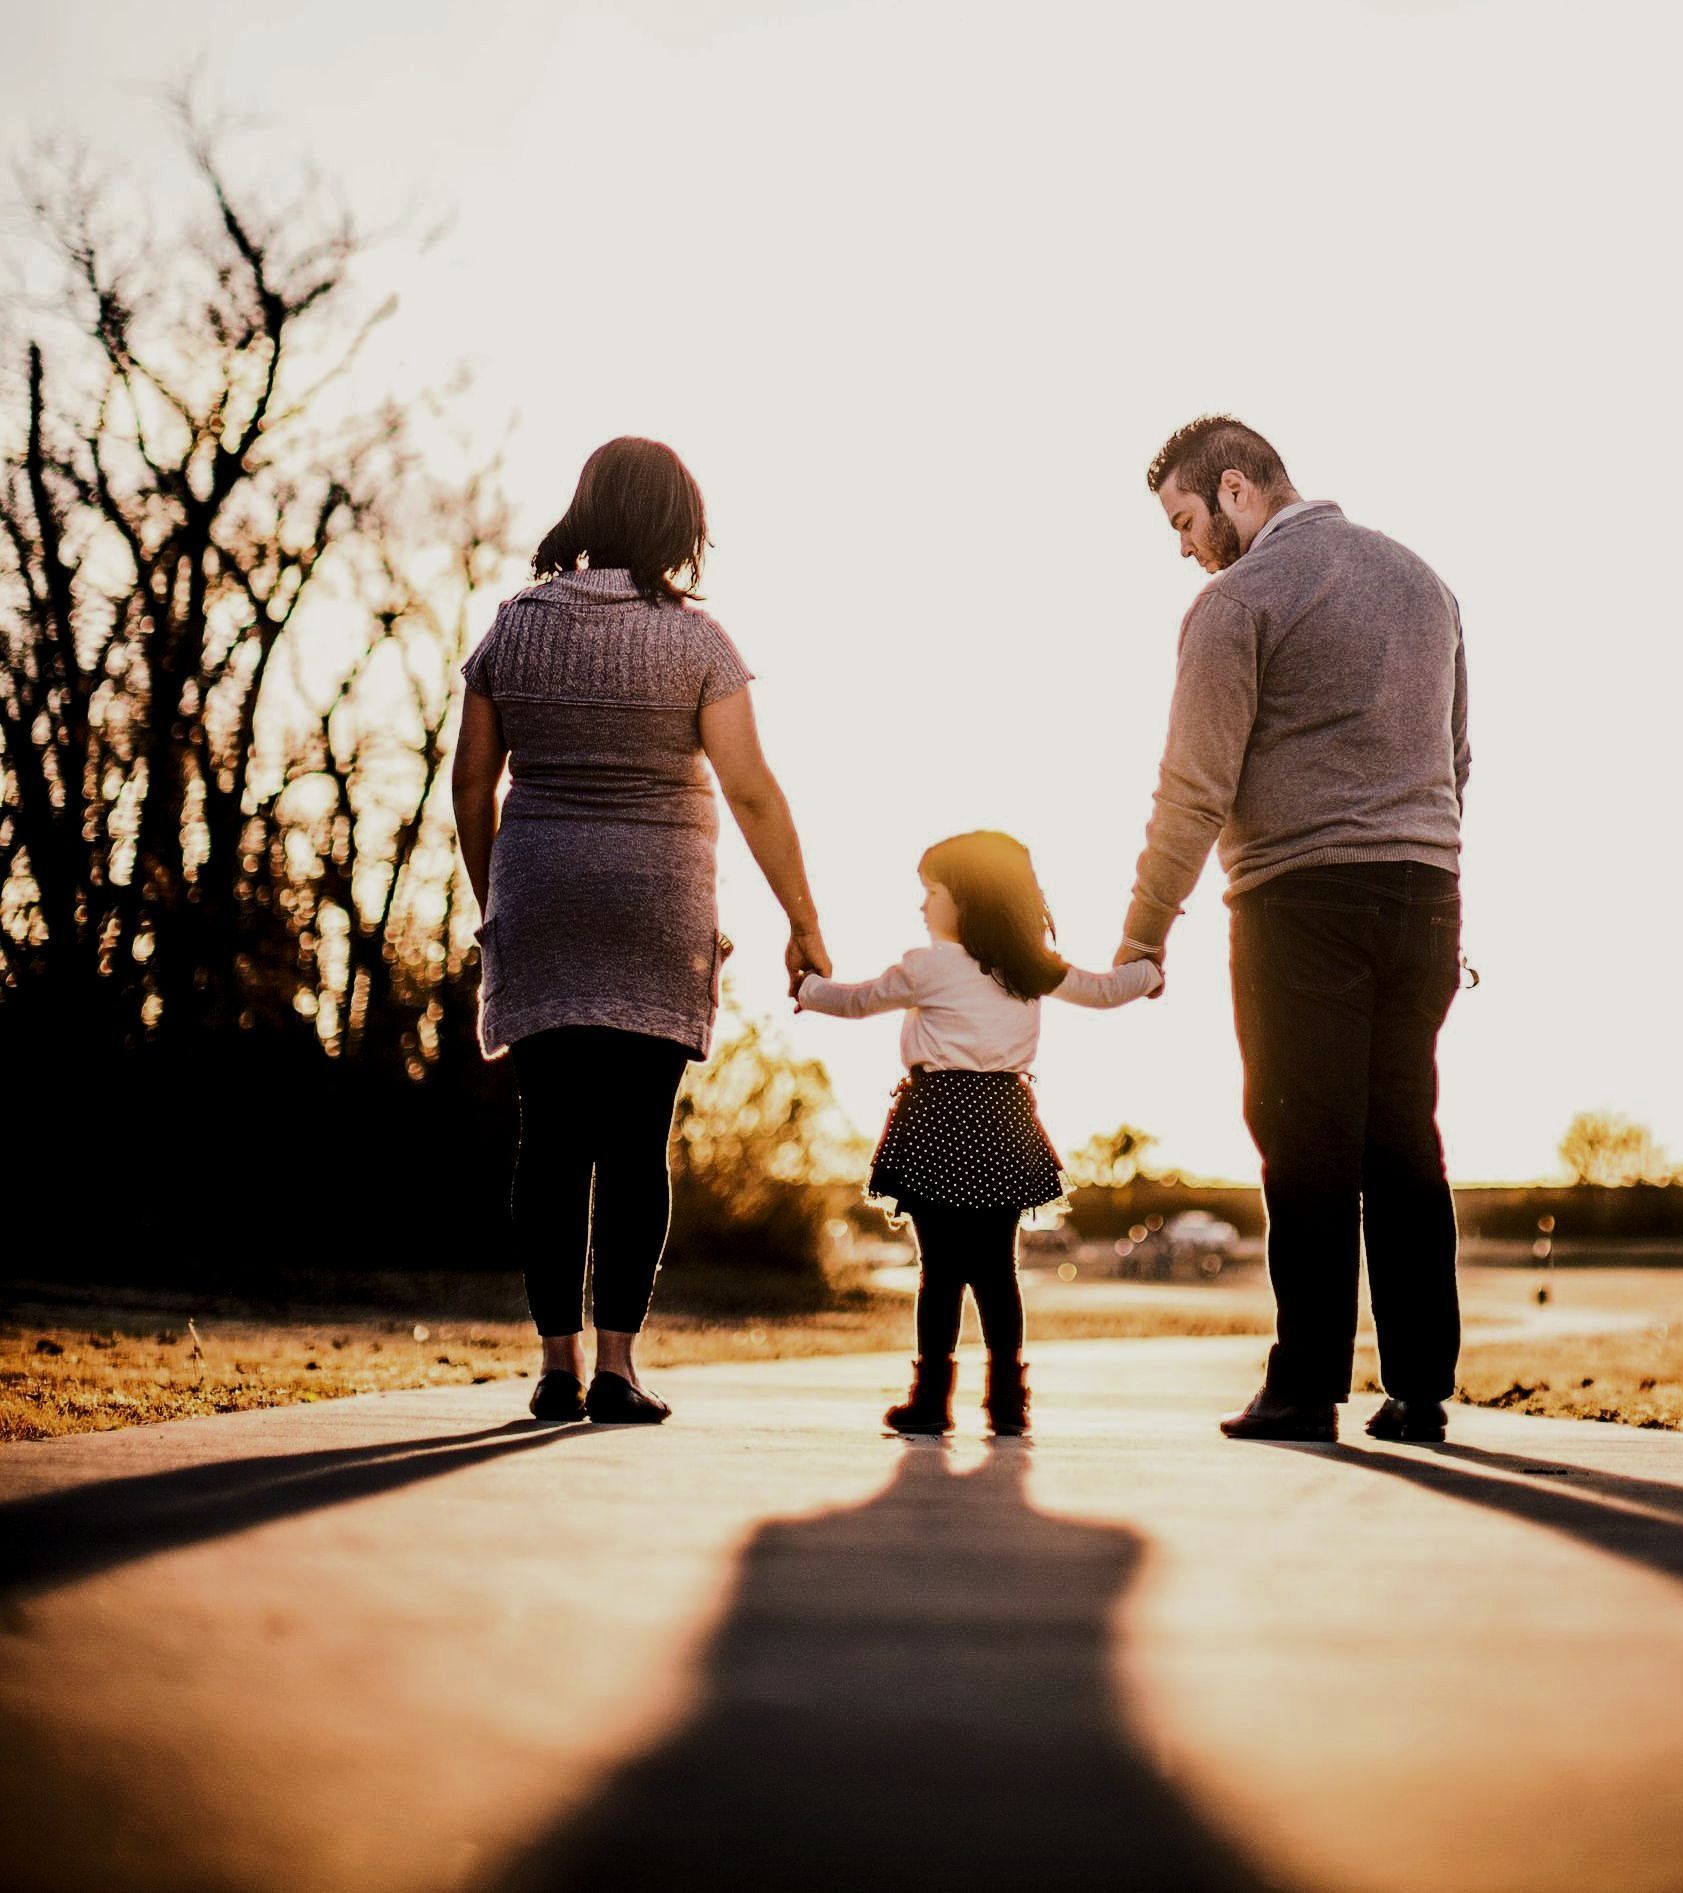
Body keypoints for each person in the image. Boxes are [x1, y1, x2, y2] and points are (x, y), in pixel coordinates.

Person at [452, 436, 830, 1426]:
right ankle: (617, 1368)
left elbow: (472, 781)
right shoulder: (698, 642)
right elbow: (751, 791)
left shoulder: (513, 626)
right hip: (657, 911)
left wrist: (498, 900)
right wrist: (802, 920)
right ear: (676, 525)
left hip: (541, 900)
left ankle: (556, 1365)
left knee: (548, 1140)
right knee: (634, 1142)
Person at [1115, 415, 1470, 1445]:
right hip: (1427, 891)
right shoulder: (1425, 583)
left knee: (1305, 1139)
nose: (1186, 548)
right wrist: (1423, 855)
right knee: (1403, 1136)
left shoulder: (1238, 602)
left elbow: (1194, 788)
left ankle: (1306, 1385)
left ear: (1235, 488)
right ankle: (1419, 1390)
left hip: (1300, 899)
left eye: (1185, 521)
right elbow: (1456, 756)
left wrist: (1144, 933)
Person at [796, 831, 1162, 1437]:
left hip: (937, 1119)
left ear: (966, 898)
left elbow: (857, 1001)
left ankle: (931, 1400)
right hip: (1002, 1122)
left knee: (939, 1270)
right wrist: (1148, 972)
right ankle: (1008, 1402)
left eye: (932, 892)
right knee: (998, 1270)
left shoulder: (929, 965)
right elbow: (1104, 991)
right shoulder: (1029, 966)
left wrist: (806, 988)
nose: (922, 905)